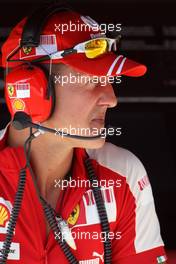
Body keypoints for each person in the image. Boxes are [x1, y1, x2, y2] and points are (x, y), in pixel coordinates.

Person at [0, 4, 167, 264]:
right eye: (91, 79)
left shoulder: (124, 175)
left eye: (109, 81)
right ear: (29, 89)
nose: (111, 99)